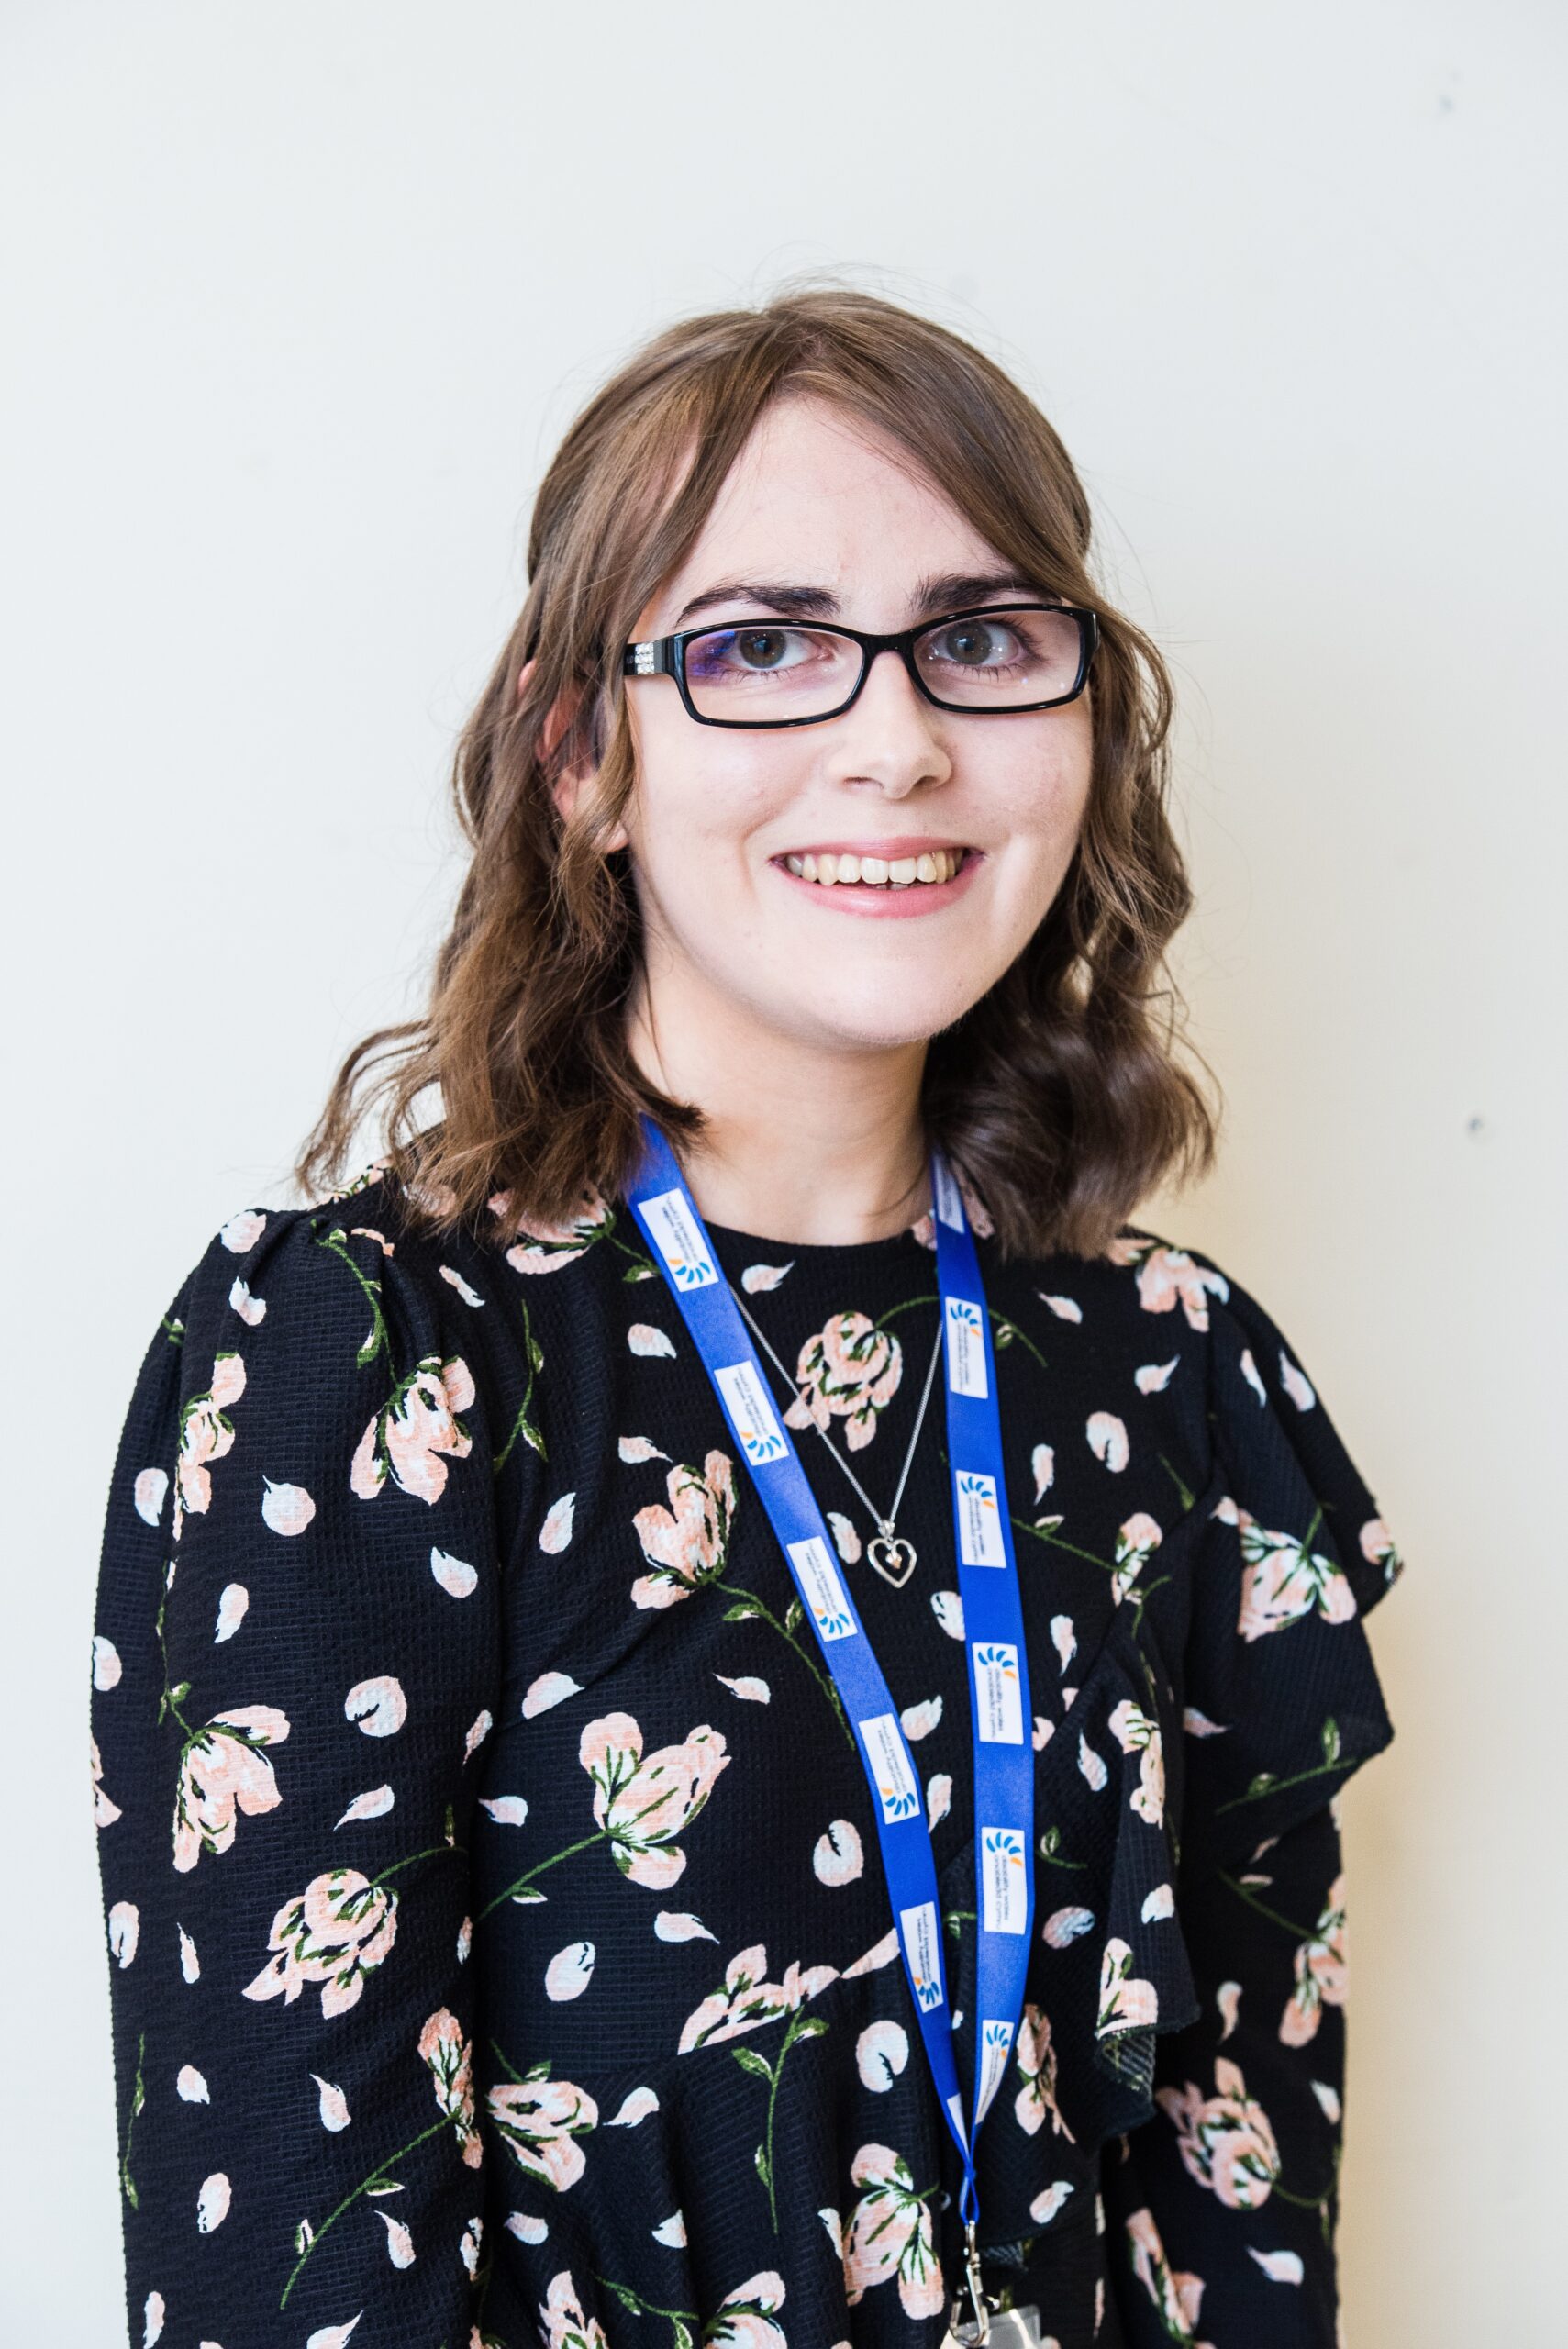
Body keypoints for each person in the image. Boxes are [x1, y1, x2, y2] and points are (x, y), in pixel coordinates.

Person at [90, 286, 1400, 2349]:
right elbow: (290, 2255)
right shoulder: (366, 1360)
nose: (897, 738)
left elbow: (1243, 2167)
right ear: (580, 752)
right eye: (760, 646)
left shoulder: (1180, 1372)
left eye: (980, 634)